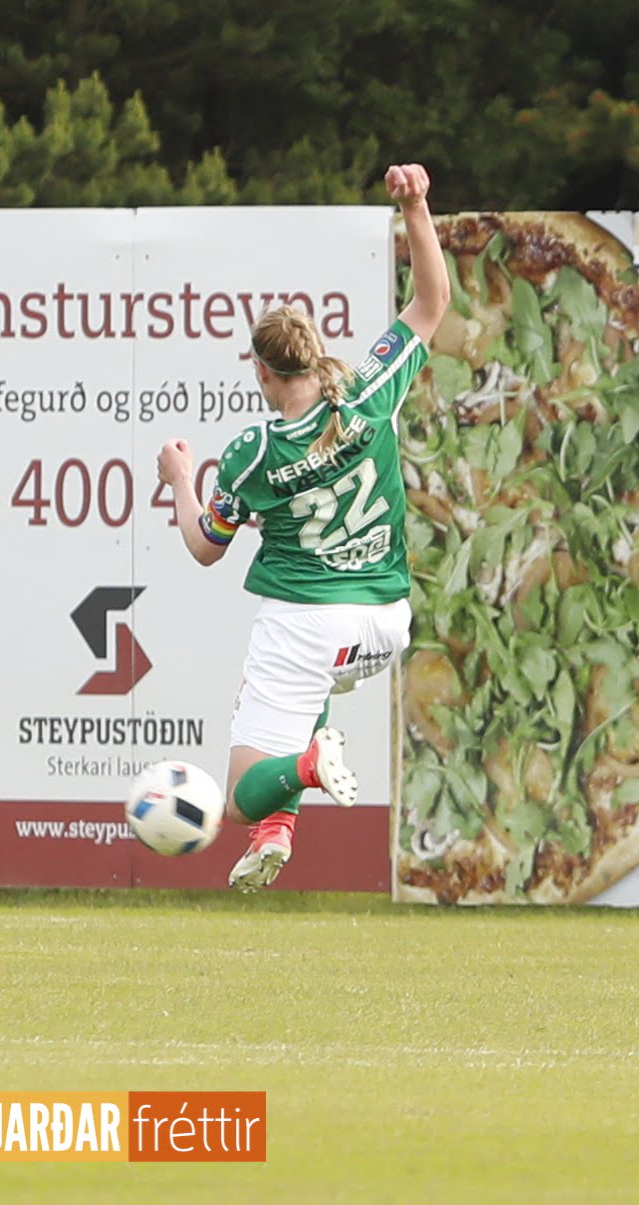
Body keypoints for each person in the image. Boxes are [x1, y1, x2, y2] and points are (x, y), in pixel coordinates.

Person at [156, 163, 449, 890]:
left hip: (305, 626)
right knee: (305, 697)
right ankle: (279, 828)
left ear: (261, 371)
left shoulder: (254, 453)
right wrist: (416, 206)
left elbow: (203, 547)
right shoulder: (369, 392)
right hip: (385, 625)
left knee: (237, 794)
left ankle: (304, 773)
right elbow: (431, 302)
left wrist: (179, 480)